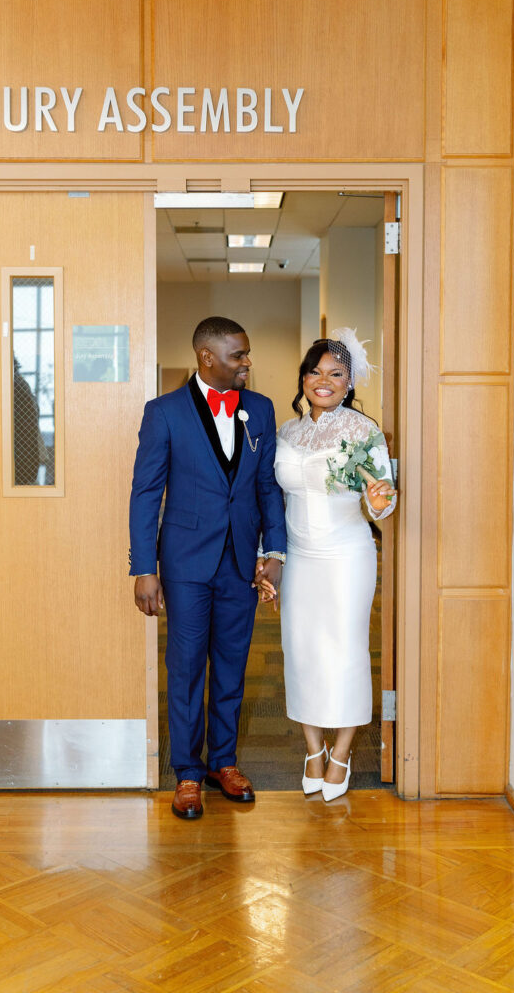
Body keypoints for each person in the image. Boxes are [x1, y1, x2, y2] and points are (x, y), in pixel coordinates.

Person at [129, 317, 287, 820]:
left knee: (232, 665)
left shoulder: (260, 409)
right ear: (207, 357)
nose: (246, 362)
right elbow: (145, 493)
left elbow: (267, 488)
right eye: (238, 355)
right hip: (184, 563)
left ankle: (223, 762)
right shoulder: (164, 413)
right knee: (186, 667)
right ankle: (188, 773)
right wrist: (144, 567)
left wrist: (274, 552)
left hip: (241, 561)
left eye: (247, 354)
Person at [257, 329, 397, 801]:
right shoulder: (287, 432)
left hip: (346, 555)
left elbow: (382, 504)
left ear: (349, 382)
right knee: (301, 650)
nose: (323, 380)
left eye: (335, 373)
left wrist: (380, 500)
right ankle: (312, 748)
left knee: (345, 651)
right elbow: (270, 499)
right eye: (315, 371)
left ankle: (343, 750)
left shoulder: (365, 431)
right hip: (298, 557)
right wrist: (268, 556)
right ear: (303, 377)